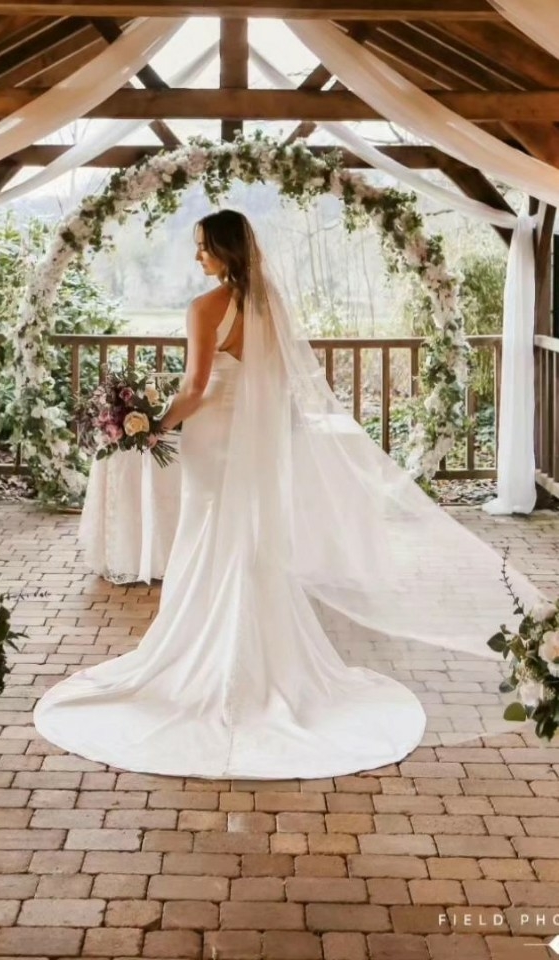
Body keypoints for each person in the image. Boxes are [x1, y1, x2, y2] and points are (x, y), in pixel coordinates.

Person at [34, 209, 542, 779]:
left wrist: (154, 424)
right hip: (250, 443)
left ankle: (210, 658)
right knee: (249, 540)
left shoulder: (204, 309)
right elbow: (275, 384)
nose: (197, 256)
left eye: (203, 247)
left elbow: (196, 388)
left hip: (210, 439)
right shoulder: (273, 307)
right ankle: (264, 658)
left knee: (206, 538)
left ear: (225, 252)